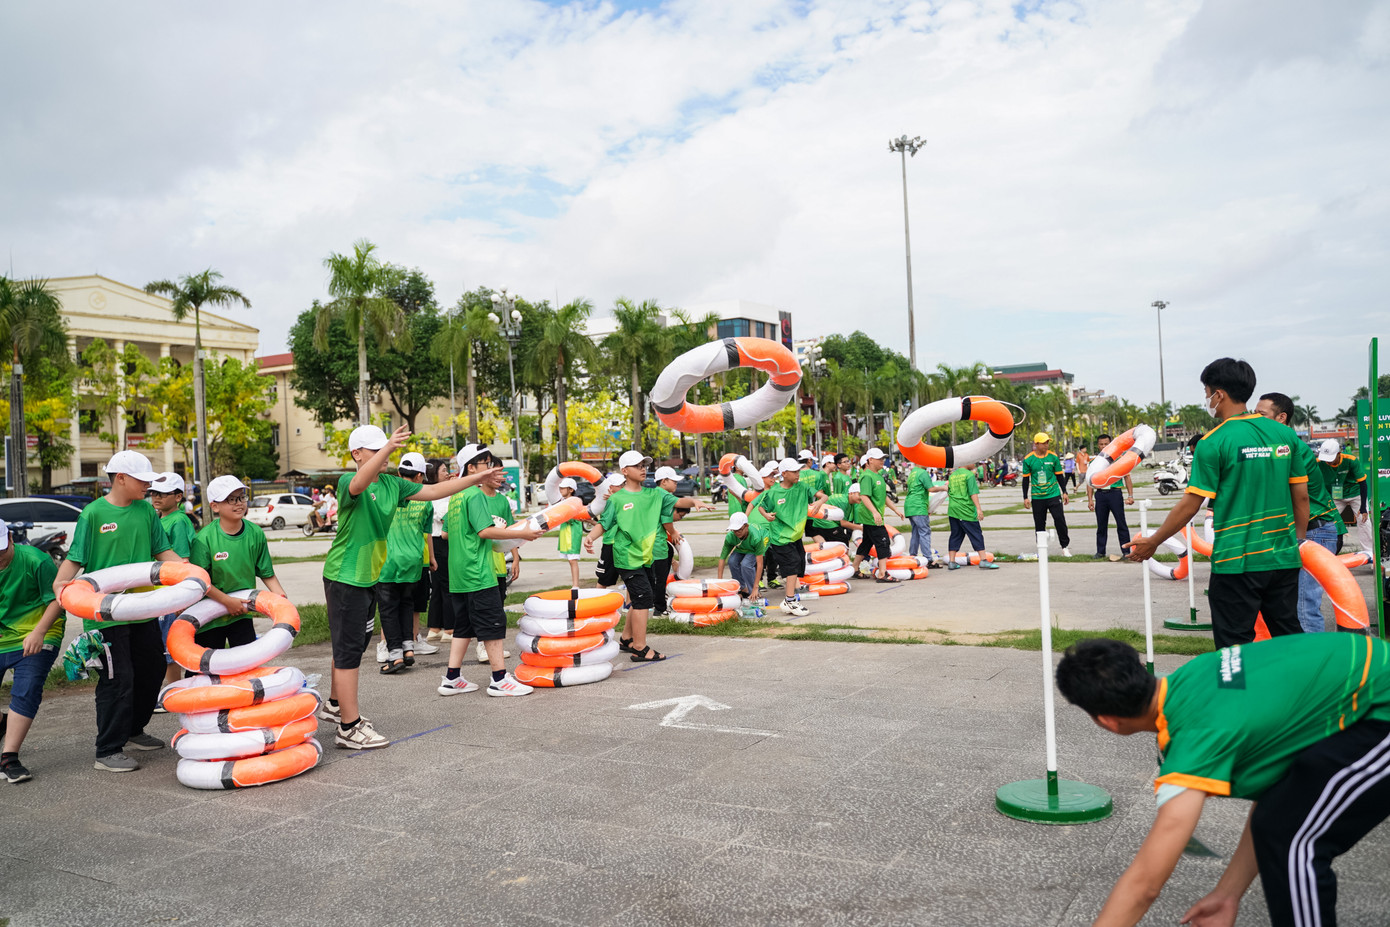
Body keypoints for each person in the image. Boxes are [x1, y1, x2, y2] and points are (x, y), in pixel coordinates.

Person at [1055, 635, 1390, 927]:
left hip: (1381, 707)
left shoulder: (1197, 740)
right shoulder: (1193, 675)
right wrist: (1227, 894)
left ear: (1108, 721)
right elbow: (1279, 799)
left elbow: (1146, 883)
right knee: (1283, 820)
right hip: (1366, 684)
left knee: (1295, 844)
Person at [320, 426, 490, 749]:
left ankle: (334, 704)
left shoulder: (391, 485)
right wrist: (388, 449)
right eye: (375, 450)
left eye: (386, 450)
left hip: (368, 576)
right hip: (345, 576)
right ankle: (349, 727)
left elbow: (435, 492)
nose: (384, 455)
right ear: (357, 454)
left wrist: (475, 479)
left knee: (351, 645)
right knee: (348, 652)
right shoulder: (347, 483)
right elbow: (358, 482)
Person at [1126, 358, 1309, 648]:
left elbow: (1191, 504)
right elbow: (1301, 496)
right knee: (1289, 637)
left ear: (1219, 394)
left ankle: (1237, 694)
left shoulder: (1213, 442)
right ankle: (1305, 691)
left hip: (1236, 563)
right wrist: (1297, 541)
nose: (1207, 399)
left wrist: (1154, 541)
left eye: (1206, 392)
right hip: (1282, 558)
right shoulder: (1285, 434)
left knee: (1233, 648)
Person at [52, 451, 178, 772]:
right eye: (143, 480)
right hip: (104, 615)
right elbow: (76, 558)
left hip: (142, 610)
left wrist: (191, 572)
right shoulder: (92, 515)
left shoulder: (146, 512)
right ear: (120, 478)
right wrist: (62, 582)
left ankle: (134, 729)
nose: (149, 486)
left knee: (151, 672)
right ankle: (107, 749)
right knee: (117, 678)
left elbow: (162, 552)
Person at [437, 445, 541, 696]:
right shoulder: (474, 495)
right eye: (486, 463)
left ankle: (452, 678)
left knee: (463, 626)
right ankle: (499, 679)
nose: (491, 468)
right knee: (493, 624)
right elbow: (485, 531)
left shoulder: (457, 495)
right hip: (478, 573)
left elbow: (446, 534)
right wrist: (522, 534)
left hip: (460, 574)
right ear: (471, 468)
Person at [1256, 393, 1344, 634]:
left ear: (1281, 417)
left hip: (1314, 531)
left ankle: (1313, 668)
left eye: (1261, 414)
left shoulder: (1290, 447)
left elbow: (1301, 497)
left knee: (1304, 607)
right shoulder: (1280, 446)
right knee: (1293, 606)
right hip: (1307, 531)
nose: (1256, 419)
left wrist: (1300, 541)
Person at [189, 475, 287, 657]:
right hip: (209, 618)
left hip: (242, 613)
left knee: (247, 663)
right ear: (215, 506)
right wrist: (227, 602)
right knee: (207, 669)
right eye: (231, 500)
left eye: (241, 497)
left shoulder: (255, 533)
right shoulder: (204, 539)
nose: (239, 503)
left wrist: (281, 599)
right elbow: (200, 583)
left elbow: (266, 573)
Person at [584, 450, 668, 661]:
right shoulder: (617, 499)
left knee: (641, 596)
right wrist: (590, 538)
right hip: (622, 553)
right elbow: (604, 523)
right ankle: (639, 647)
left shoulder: (649, 494)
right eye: (637, 465)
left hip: (643, 554)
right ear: (624, 471)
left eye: (644, 465)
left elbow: (673, 505)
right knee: (639, 596)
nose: (643, 469)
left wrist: (694, 503)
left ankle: (627, 638)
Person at [0, 518, 64, 783]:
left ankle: (9, 758)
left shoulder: (36, 560)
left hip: (40, 629)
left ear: (11, 540)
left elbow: (57, 601)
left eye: (1, 550)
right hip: (4, 634)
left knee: (26, 687)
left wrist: (38, 632)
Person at [374, 452, 435, 673]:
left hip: (387, 560)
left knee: (389, 609)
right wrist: (433, 558)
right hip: (414, 561)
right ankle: (408, 649)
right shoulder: (425, 501)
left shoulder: (388, 495)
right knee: (407, 604)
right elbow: (427, 534)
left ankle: (395, 656)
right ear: (420, 477)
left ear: (399, 474)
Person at [148, 472, 196, 690]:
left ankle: (174, 693)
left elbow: (182, 560)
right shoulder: (162, 519)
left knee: (170, 649)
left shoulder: (177, 521)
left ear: (178, 497)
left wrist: (179, 598)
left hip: (171, 593)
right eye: (154, 493)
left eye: (163, 494)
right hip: (162, 591)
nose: (156, 497)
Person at [849, 448, 903, 583]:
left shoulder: (878, 476)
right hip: (870, 516)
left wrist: (895, 509)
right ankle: (882, 574)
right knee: (883, 541)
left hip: (874, 516)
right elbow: (864, 496)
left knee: (866, 543)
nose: (882, 461)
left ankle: (854, 568)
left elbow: (884, 497)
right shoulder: (867, 476)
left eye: (883, 458)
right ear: (870, 460)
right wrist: (874, 512)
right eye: (879, 459)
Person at [1085, 433, 1135, 562]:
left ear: (1111, 445)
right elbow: (1090, 481)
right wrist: (1090, 499)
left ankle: (1126, 551)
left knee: (1121, 523)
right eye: (1101, 444)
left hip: (1115, 494)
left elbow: (1127, 477)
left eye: (1106, 444)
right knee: (1101, 525)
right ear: (1098, 445)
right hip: (1101, 495)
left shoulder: (1119, 459)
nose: (1103, 446)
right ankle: (1100, 551)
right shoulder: (1094, 462)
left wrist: (1130, 496)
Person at [1021, 432, 1071, 557]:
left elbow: (1060, 476)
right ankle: (1041, 548)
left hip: (1053, 494)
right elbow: (1025, 479)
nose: (1046, 445)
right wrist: (1025, 497)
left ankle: (1065, 547)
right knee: (1039, 523)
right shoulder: (1028, 459)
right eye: (1043, 443)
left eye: (1047, 442)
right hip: (1037, 497)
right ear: (1036, 444)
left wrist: (1064, 492)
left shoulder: (1053, 457)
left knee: (1059, 520)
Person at [945, 461, 999, 570]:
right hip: (965, 509)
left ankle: (952, 561)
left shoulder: (952, 475)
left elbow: (949, 491)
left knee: (956, 534)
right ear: (967, 461)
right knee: (976, 533)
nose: (975, 464)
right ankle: (983, 560)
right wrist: (978, 509)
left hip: (953, 509)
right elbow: (973, 493)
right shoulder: (969, 475)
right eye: (973, 461)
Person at [1318, 438, 1368, 550]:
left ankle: (1369, 553)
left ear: (1339, 454)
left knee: (1364, 522)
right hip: (1335, 496)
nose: (1328, 462)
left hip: (1355, 493)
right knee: (1327, 521)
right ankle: (1328, 549)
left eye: (1330, 459)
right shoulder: (1319, 463)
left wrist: (1363, 507)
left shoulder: (1351, 460)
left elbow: (1363, 483)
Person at [424, 458, 454, 644]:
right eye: (443, 470)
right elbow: (444, 516)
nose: (446, 472)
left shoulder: (432, 492)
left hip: (433, 541)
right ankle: (450, 629)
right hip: (440, 540)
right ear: (434, 474)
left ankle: (435, 628)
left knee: (437, 586)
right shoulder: (437, 494)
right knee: (447, 585)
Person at [717, 512, 768, 598]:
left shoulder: (756, 537)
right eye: (734, 530)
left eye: (739, 529)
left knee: (746, 564)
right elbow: (722, 559)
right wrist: (719, 583)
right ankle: (742, 588)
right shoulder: (730, 537)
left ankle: (754, 592)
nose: (737, 533)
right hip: (743, 546)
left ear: (746, 526)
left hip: (757, 544)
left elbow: (760, 565)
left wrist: (756, 587)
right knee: (732, 561)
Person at [903, 461, 946, 560]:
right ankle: (928, 559)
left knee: (916, 532)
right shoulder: (923, 473)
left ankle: (912, 556)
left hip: (910, 505)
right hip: (918, 506)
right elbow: (930, 489)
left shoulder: (913, 472)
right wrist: (943, 488)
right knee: (924, 532)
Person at [556, 477, 584, 589]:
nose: (561, 489)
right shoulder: (562, 501)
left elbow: (570, 517)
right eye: (560, 487)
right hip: (565, 532)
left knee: (573, 559)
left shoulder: (574, 501)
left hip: (573, 532)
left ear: (571, 489)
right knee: (570, 560)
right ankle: (574, 584)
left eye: (563, 488)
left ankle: (576, 585)